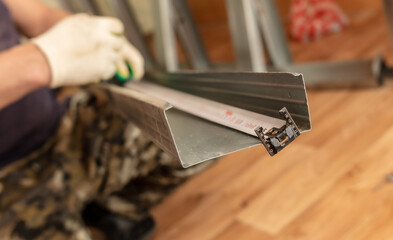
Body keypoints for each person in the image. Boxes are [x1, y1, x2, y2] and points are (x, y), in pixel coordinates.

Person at [0, 1, 213, 239]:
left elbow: (39, 17)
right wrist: (42, 59)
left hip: (62, 126)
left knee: (192, 132)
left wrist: (90, 37)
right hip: (7, 179)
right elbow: (39, 60)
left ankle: (105, 209)